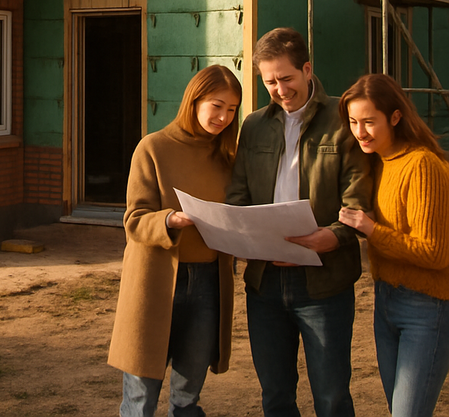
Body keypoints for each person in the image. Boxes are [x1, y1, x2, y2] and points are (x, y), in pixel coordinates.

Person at [225, 27, 371, 417]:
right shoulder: (253, 125)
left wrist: (334, 238)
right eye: (269, 81)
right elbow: (237, 196)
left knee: (331, 396)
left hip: (325, 283)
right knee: (275, 397)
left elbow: (357, 201)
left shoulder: (344, 121)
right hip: (264, 284)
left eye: (286, 78)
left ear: (307, 70)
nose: (279, 89)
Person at [108, 64, 241, 417]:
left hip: (209, 283)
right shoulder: (152, 148)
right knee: (140, 399)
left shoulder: (227, 157)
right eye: (217, 105)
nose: (224, 117)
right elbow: (134, 220)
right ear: (194, 99)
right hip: (156, 283)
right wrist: (169, 219)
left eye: (232, 109)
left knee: (187, 397)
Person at [338, 74, 449, 417]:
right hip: (384, 301)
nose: (360, 132)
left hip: (427, 308)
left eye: (369, 121)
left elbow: (434, 252)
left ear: (396, 116)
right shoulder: (376, 162)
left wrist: (372, 230)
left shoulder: (422, 165)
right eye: (354, 122)